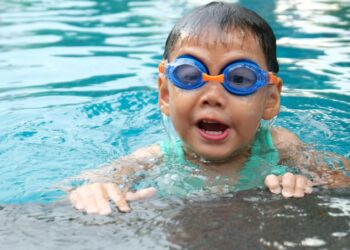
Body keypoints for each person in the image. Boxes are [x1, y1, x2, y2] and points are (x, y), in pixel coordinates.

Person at [69, 2, 349, 215]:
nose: (213, 97)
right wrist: (94, 191)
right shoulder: (156, 158)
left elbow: (340, 181)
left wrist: (306, 184)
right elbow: (91, 183)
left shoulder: (280, 146)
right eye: (190, 76)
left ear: (270, 100)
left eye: (239, 78)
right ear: (166, 93)